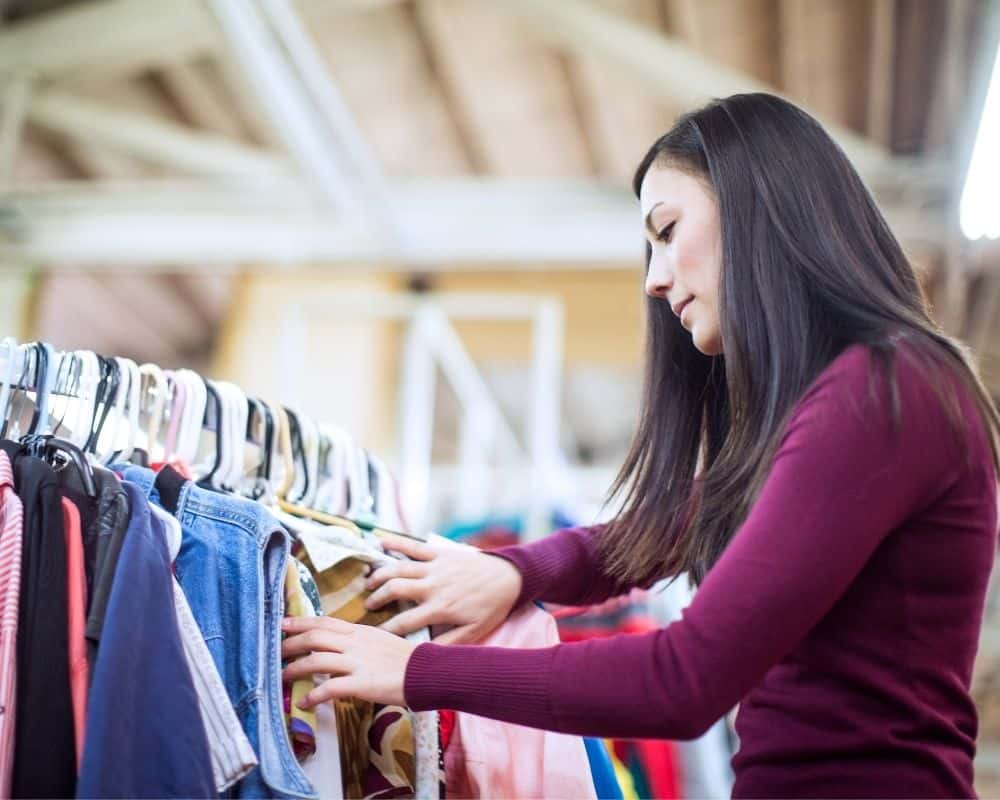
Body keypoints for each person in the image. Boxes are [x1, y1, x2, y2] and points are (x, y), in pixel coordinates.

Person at [281, 93, 1000, 798]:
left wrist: (414, 672)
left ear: (758, 208)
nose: (654, 280)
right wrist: (516, 573)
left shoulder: (885, 388)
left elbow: (682, 681)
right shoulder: (856, 399)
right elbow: (664, 528)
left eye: (667, 229)